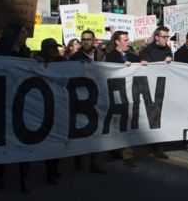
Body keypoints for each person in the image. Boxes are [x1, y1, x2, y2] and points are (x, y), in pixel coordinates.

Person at [0, 23, 32, 192]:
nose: (25, 34)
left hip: (21, 101)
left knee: (25, 140)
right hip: (2, 101)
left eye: (25, 31)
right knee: (2, 141)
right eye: (22, 31)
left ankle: (24, 177)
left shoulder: (25, 51)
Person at [68, 30, 108, 174]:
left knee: (96, 130)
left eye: (88, 39)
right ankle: (78, 155)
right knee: (80, 129)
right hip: (80, 99)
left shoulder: (101, 55)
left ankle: (94, 161)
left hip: (97, 98)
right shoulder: (74, 58)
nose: (86, 42)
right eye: (83, 39)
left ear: (94, 40)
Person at [104, 31, 141, 165]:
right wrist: (120, 67)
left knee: (126, 122)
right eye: (125, 40)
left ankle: (127, 154)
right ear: (117, 42)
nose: (128, 42)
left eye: (128, 39)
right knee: (116, 123)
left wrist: (142, 65)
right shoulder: (110, 57)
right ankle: (115, 147)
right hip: (116, 94)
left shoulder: (133, 56)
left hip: (131, 95)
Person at [34, 38, 66, 185]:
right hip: (43, 104)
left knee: (57, 139)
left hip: (59, 104)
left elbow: (74, 69)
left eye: (56, 48)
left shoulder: (61, 60)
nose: (55, 50)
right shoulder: (37, 61)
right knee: (48, 140)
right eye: (52, 48)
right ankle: (49, 170)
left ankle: (55, 167)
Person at [140, 26, 173, 159]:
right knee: (154, 117)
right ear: (156, 38)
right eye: (164, 37)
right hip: (152, 87)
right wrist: (161, 63)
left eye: (167, 37)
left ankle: (159, 143)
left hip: (165, 86)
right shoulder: (147, 51)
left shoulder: (167, 49)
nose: (166, 39)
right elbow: (147, 67)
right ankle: (157, 146)